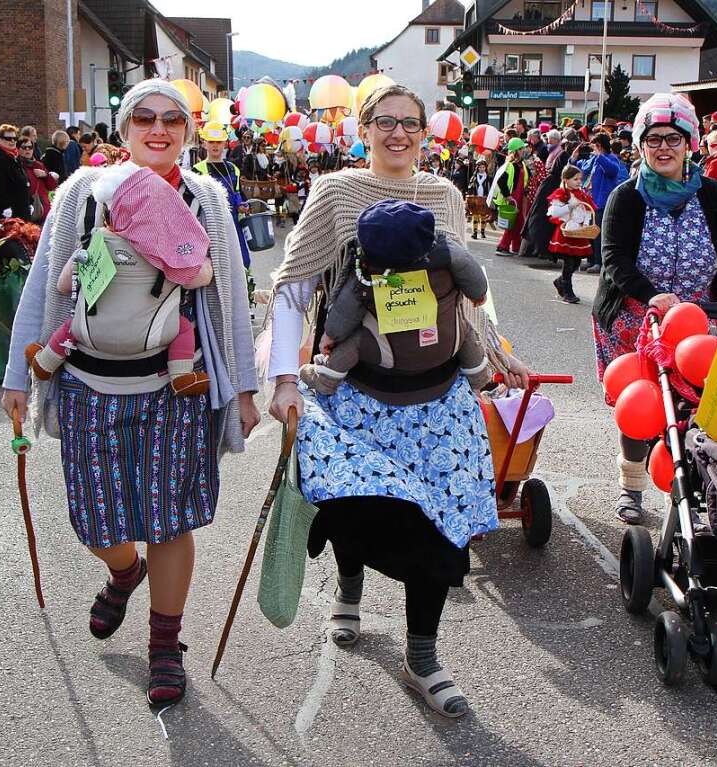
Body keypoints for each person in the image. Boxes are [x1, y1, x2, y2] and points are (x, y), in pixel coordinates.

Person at [267, 83, 530, 719]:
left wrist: (494, 354)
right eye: (384, 122)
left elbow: (470, 292)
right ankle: (349, 585)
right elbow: (295, 285)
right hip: (358, 392)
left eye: (410, 123)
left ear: (425, 131)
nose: (398, 134)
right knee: (358, 509)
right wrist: (280, 378)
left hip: (437, 396)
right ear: (364, 127)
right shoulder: (334, 192)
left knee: (437, 522)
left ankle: (422, 655)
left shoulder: (443, 196)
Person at [0, 78, 260, 708]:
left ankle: (165, 646)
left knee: (171, 520)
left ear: (188, 132)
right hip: (91, 385)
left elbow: (228, 297)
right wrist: (17, 376)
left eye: (173, 119)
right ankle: (123, 571)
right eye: (144, 117)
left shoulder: (205, 201)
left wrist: (245, 390)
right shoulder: (81, 195)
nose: (159, 128)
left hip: (178, 387)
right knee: (94, 517)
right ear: (124, 130)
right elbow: (46, 288)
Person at [594, 93, 717, 523]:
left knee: (713, 400)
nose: (663, 148)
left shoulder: (712, 195)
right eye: (653, 139)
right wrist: (649, 292)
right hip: (634, 315)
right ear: (640, 146)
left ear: (690, 143)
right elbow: (614, 258)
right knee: (642, 402)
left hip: (698, 318)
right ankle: (632, 486)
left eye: (673, 139)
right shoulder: (627, 197)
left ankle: (707, 484)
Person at [24, 162, 212, 396]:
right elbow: (196, 277)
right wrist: (208, 266)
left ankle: (45, 362)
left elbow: (63, 286)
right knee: (182, 328)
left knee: (72, 325)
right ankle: (181, 376)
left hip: (91, 337)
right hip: (150, 338)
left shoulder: (94, 244)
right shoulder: (163, 248)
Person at [299, 200, 490, 394]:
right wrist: (478, 293)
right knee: (463, 328)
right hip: (444, 346)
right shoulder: (447, 251)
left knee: (355, 342)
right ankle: (479, 375)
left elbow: (345, 312)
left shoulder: (367, 274)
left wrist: (330, 335)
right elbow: (469, 268)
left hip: (390, 356)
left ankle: (325, 380)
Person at [192, 122, 251, 272]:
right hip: (209, 225)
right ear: (204, 143)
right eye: (211, 141)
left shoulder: (233, 168)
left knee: (241, 262)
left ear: (225, 143)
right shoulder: (197, 170)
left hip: (233, 223)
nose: (215, 145)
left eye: (219, 142)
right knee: (214, 267)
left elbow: (236, 193)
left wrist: (241, 205)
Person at [547, 164, 596, 304]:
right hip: (566, 232)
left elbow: (588, 210)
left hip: (579, 232)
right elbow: (554, 212)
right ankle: (568, 291)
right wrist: (569, 206)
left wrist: (586, 223)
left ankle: (560, 281)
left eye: (580, 179)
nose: (579, 182)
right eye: (575, 179)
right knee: (569, 262)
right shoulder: (561, 193)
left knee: (577, 261)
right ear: (566, 179)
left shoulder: (581, 194)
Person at [575, 132, 622, 273]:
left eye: (594, 145)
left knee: (598, 233)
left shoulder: (611, 158)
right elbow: (583, 170)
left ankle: (599, 262)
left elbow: (613, 171)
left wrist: (600, 156)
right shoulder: (594, 159)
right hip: (590, 200)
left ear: (600, 145)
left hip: (602, 201)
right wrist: (574, 158)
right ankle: (590, 260)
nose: (592, 148)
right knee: (589, 232)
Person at [493, 137, 530, 256]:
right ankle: (502, 246)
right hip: (512, 198)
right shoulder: (510, 165)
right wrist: (508, 196)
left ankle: (516, 247)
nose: (524, 150)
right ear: (516, 151)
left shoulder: (522, 164)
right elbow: (501, 181)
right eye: (521, 148)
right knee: (512, 223)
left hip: (519, 198)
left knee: (519, 223)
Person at [0, 124, 32, 221]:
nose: (12, 141)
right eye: (8, 138)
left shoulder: (15, 156)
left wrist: (30, 202)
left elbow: (23, 180)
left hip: (22, 208)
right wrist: (4, 207)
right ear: (0, 139)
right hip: (8, 212)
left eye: (14, 138)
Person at [17, 136, 58, 222]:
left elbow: (52, 186)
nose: (28, 150)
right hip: (29, 209)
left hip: (44, 208)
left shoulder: (38, 164)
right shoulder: (17, 166)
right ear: (18, 149)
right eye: (24, 147)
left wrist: (46, 175)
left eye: (30, 147)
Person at [466, 159, 492, 240]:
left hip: (484, 198)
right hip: (475, 198)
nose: (481, 169)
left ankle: (483, 232)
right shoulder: (474, 177)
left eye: (483, 167)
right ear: (477, 168)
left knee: (483, 216)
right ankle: (475, 232)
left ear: (485, 168)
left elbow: (490, 187)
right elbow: (469, 187)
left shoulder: (488, 177)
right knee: (475, 215)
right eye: (480, 167)